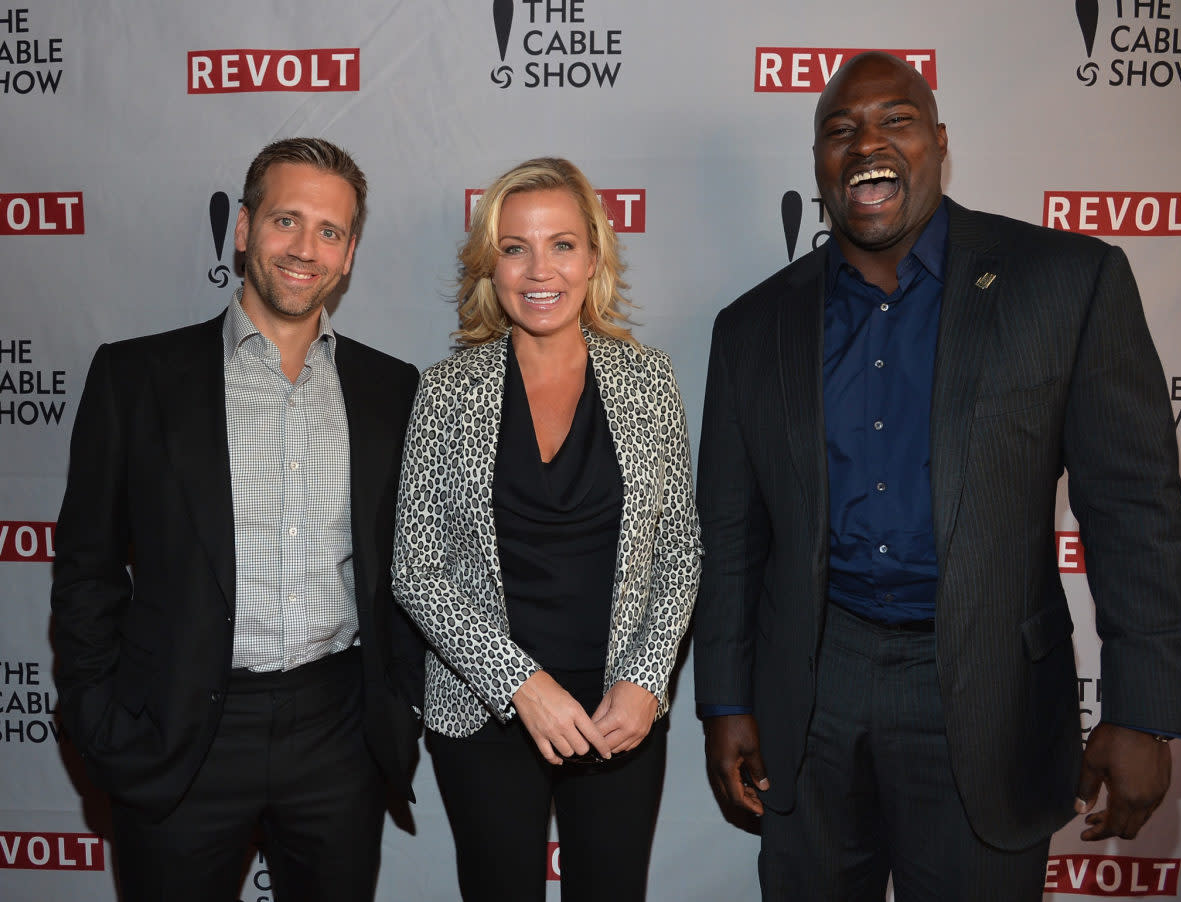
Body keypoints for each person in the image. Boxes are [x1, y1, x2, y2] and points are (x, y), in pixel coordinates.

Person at [692, 51, 1181, 901]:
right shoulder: (752, 327)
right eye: (839, 129)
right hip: (814, 681)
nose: (867, 143)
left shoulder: (1066, 282)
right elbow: (735, 537)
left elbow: (1133, 511)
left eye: (896, 119)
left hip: (988, 688)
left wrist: (1143, 708)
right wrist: (727, 699)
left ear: (940, 142)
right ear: (818, 164)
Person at [51, 137, 425, 902]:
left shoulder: (392, 390)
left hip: (338, 734)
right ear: (245, 229)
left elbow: (407, 569)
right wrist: (100, 718)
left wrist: (398, 703)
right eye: (287, 221)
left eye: (330, 231)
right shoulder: (136, 378)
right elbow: (85, 567)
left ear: (349, 254)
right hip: (180, 731)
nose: (306, 249)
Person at [392, 157, 702, 901]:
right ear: (488, 266)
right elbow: (416, 569)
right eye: (515, 246)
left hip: (617, 714)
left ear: (594, 257)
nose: (541, 269)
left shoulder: (649, 379)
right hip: (487, 714)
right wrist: (520, 684)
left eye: (562, 244)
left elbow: (681, 548)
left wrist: (646, 682)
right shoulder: (443, 391)